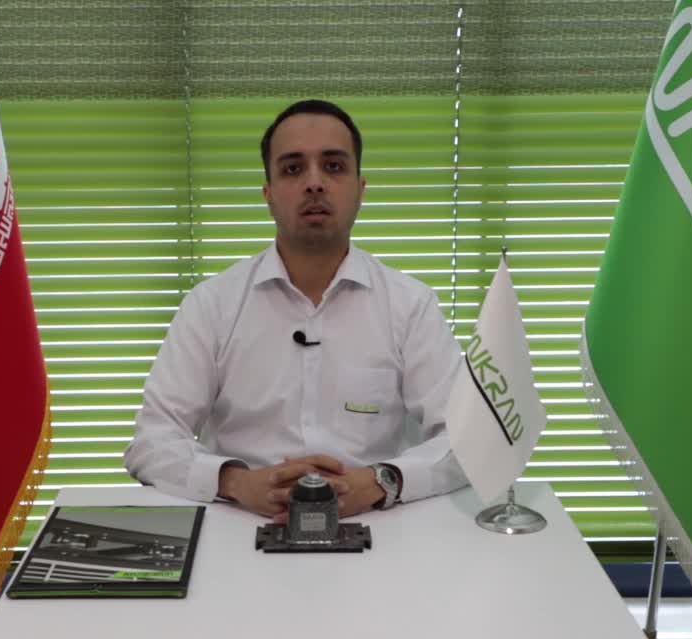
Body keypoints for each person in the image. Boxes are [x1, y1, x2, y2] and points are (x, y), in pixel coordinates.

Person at [123, 99, 465, 522]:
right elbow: (151, 441)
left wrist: (382, 481)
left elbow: (466, 442)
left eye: (334, 167)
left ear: (360, 189)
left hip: (375, 527)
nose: (314, 183)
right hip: (240, 526)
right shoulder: (212, 305)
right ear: (267, 194)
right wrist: (235, 482)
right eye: (292, 168)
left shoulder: (410, 306)